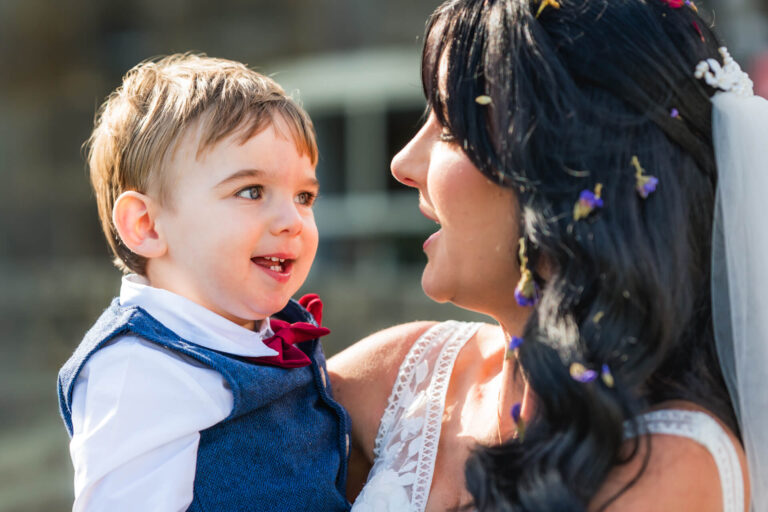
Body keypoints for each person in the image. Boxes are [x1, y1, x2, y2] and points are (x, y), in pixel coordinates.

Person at [330, 0, 767, 510]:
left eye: (450, 127)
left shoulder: (666, 466)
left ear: (566, 166)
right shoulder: (399, 374)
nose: (402, 162)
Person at [56, 54, 351, 511]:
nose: (292, 220)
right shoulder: (141, 367)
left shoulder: (257, 334)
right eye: (251, 191)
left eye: (304, 196)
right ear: (147, 226)